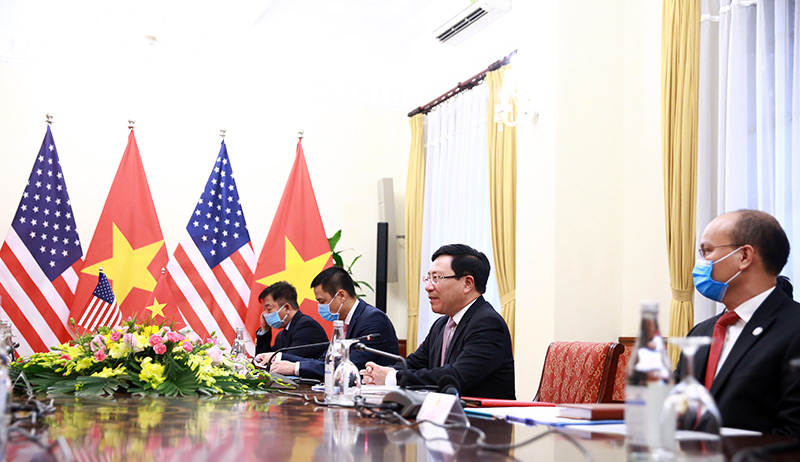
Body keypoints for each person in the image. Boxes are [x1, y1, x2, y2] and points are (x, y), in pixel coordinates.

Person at [679, 210, 800, 437]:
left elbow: (793, 433)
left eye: (707, 251)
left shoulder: (795, 329)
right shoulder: (700, 332)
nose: (700, 263)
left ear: (744, 256)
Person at [360, 244, 515, 399]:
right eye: (428, 278)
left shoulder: (488, 324)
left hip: (486, 420)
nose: (428, 287)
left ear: (468, 283)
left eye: (437, 278)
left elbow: (456, 376)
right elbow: (412, 364)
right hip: (446, 417)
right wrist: (377, 373)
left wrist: (392, 378)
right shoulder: (441, 325)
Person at [266, 266, 400, 378]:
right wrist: (278, 358)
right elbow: (324, 362)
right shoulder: (344, 322)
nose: (319, 306)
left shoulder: (373, 319)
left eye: (322, 301)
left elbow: (349, 366)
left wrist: (295, 368)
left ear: (341, 296)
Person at [252, 281, 329, 363]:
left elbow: (285, 362)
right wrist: (265, 329)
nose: (264, 315)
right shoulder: (282, 335)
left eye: (269, 309)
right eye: (264, 310)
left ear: (286, 308)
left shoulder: (307, 327)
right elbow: (262, 361)